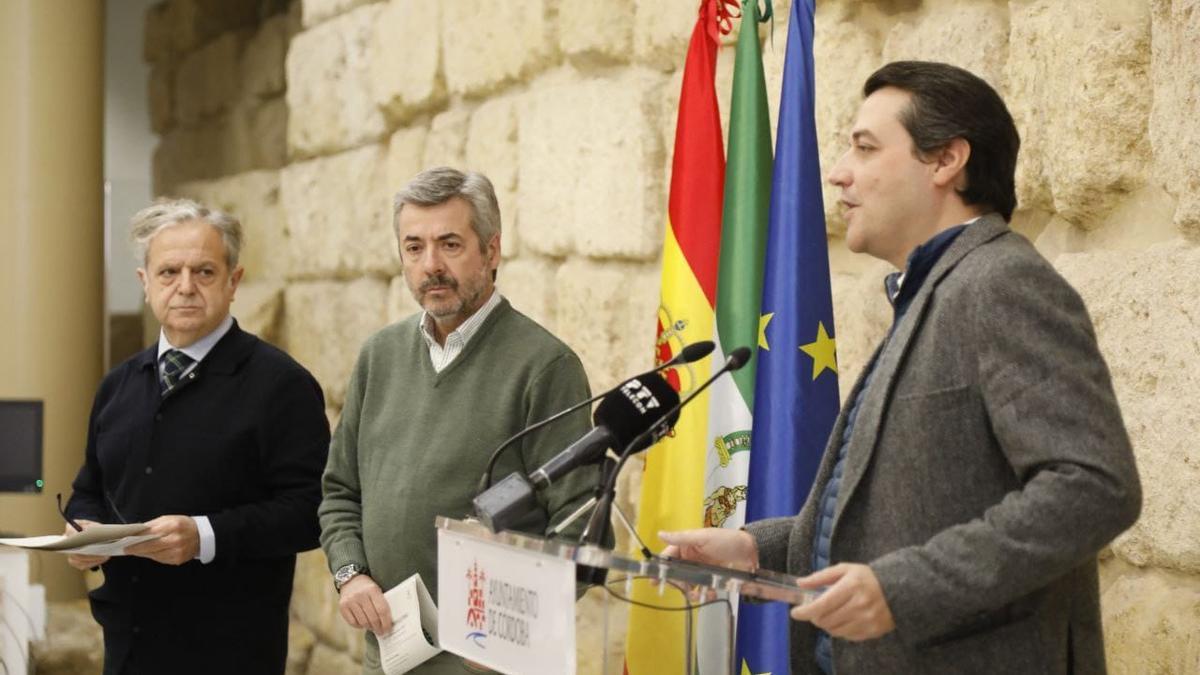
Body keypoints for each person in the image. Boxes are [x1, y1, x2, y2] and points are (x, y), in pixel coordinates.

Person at [661, 61, 1142, 674]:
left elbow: (1095, 488)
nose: (838, 173)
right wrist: (757, 547)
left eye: (864, 148)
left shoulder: (1002, 283)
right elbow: (897, 509)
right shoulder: (934, 289)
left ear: (946, 161)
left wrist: (904, 588)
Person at [319, 167, 598, 674]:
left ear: (491, 251)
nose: (431, 266)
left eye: (450, 244)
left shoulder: (545, 367)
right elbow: (340, 492)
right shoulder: (378, 356)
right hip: (388, 657)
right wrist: (350, 574)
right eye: (414, 247)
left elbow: (583, 527)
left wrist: (510, 635)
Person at [65, 198, 331, 675]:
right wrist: (81, 529)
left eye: (204, 272)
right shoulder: (117, 385)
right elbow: (90, 488)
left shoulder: (280, 385)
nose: (185, 287)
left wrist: (204, 535)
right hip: (127, 648)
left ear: (234, 281)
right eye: (169, 273)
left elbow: (313, 510)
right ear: (145, 283)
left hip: (229, 653)